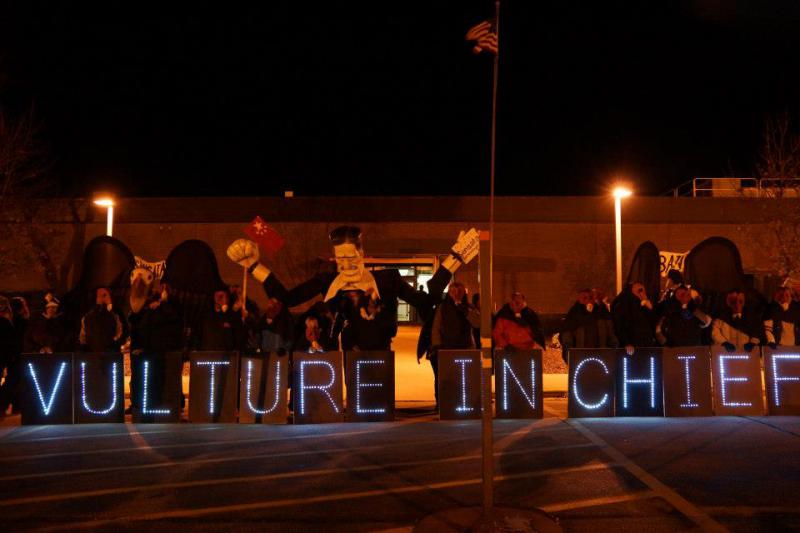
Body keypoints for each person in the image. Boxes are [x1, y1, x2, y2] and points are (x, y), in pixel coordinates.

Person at [227, 225, 477, 351]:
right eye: (340, 258)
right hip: (343, 355)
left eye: (351, 257)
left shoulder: (387, 280)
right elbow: (288, 298)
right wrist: (254, 266)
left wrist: (453, 260)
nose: (346, 264)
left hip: (380, 354)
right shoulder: (327, 281)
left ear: (362, 254)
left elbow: (425, 300)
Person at [429, 282, 480, 407]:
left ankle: (466, 404)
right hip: (447, 348)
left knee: (465, 378)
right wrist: (437, 345)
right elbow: (436, 327)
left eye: (460, 292)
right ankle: (442, 404)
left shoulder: (468, 307)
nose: (456, 295)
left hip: (465, 347)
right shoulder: (443, 307)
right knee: (445, 377)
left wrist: (464, 310)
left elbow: (477, 323)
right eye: (453, 292)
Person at [560, 289, 618, 362]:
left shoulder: (602, 313)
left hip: (600, 356)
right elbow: (566, 335)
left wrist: (614, 348)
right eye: (584, 298)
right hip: (580, 357)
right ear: (579, 299)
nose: (588, 300)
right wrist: (569, 353)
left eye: (590, 298)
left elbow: (610, 333)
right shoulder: (574, 315)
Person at [611, 281, 658, 355]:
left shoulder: (643, 305)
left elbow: (653, 322)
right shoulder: (622, 305)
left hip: (646, 345)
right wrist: (626, 343)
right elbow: (619, 326)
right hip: (630, 347)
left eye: (643, 290)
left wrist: (649, 308)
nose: (642, 292)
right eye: (639, 290)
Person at [79, 287, 124, 352]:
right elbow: (83, 338)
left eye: (107, 295)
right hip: (96, 355)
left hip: (108, 354)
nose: (108, 298)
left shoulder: (114, 315)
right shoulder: (87, 317)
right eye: (104, 295)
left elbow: (120, 332)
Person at [0, 295, 24, 417]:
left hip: (7, 356)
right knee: (13, 381)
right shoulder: (6, 322)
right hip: (7, 356)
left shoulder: (9, 321)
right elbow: (11, 341)